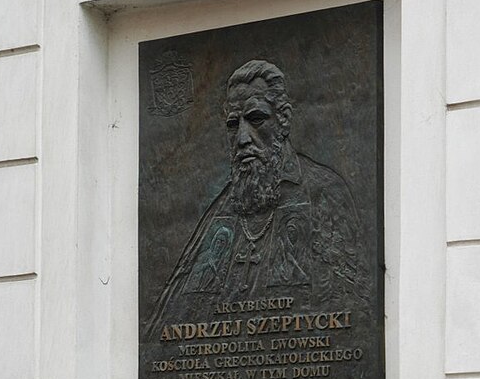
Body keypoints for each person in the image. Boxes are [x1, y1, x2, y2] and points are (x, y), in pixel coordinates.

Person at [144, 59, 364, 337]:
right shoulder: (222, 208)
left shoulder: (323, 192)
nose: (242, 138)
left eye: (256, 119)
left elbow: (355, 317)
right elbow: (166, 326)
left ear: (283, 118)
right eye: (233, 125)